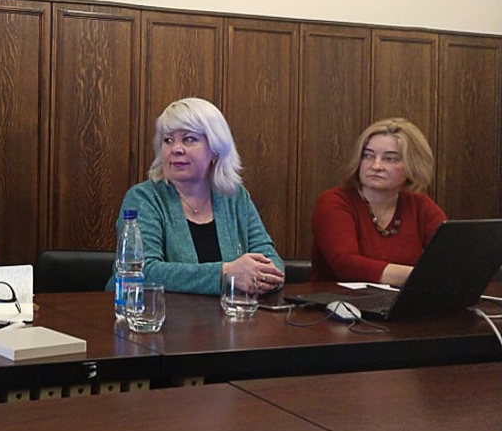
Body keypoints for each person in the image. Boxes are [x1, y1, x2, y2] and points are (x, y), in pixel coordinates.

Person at [107, 98, 284, 295]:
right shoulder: (143, 198)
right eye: (168, 140)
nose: (176, 149)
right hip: (154, 312)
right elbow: (141, 271)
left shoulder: (235, 196)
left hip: (228, 313)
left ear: (215, 150)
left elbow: (272, 263)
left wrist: (263, 277)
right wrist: (225, 274)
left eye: (189, 139)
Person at [311, 118, 445, 285]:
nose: (376, 166)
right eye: (368, 156)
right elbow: (345, 265)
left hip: (404, 299)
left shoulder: (420, 205)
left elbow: (451, 254)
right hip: (338, 299)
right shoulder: (334, 201)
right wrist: (422, 275)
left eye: (390, 159)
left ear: (413, 165)